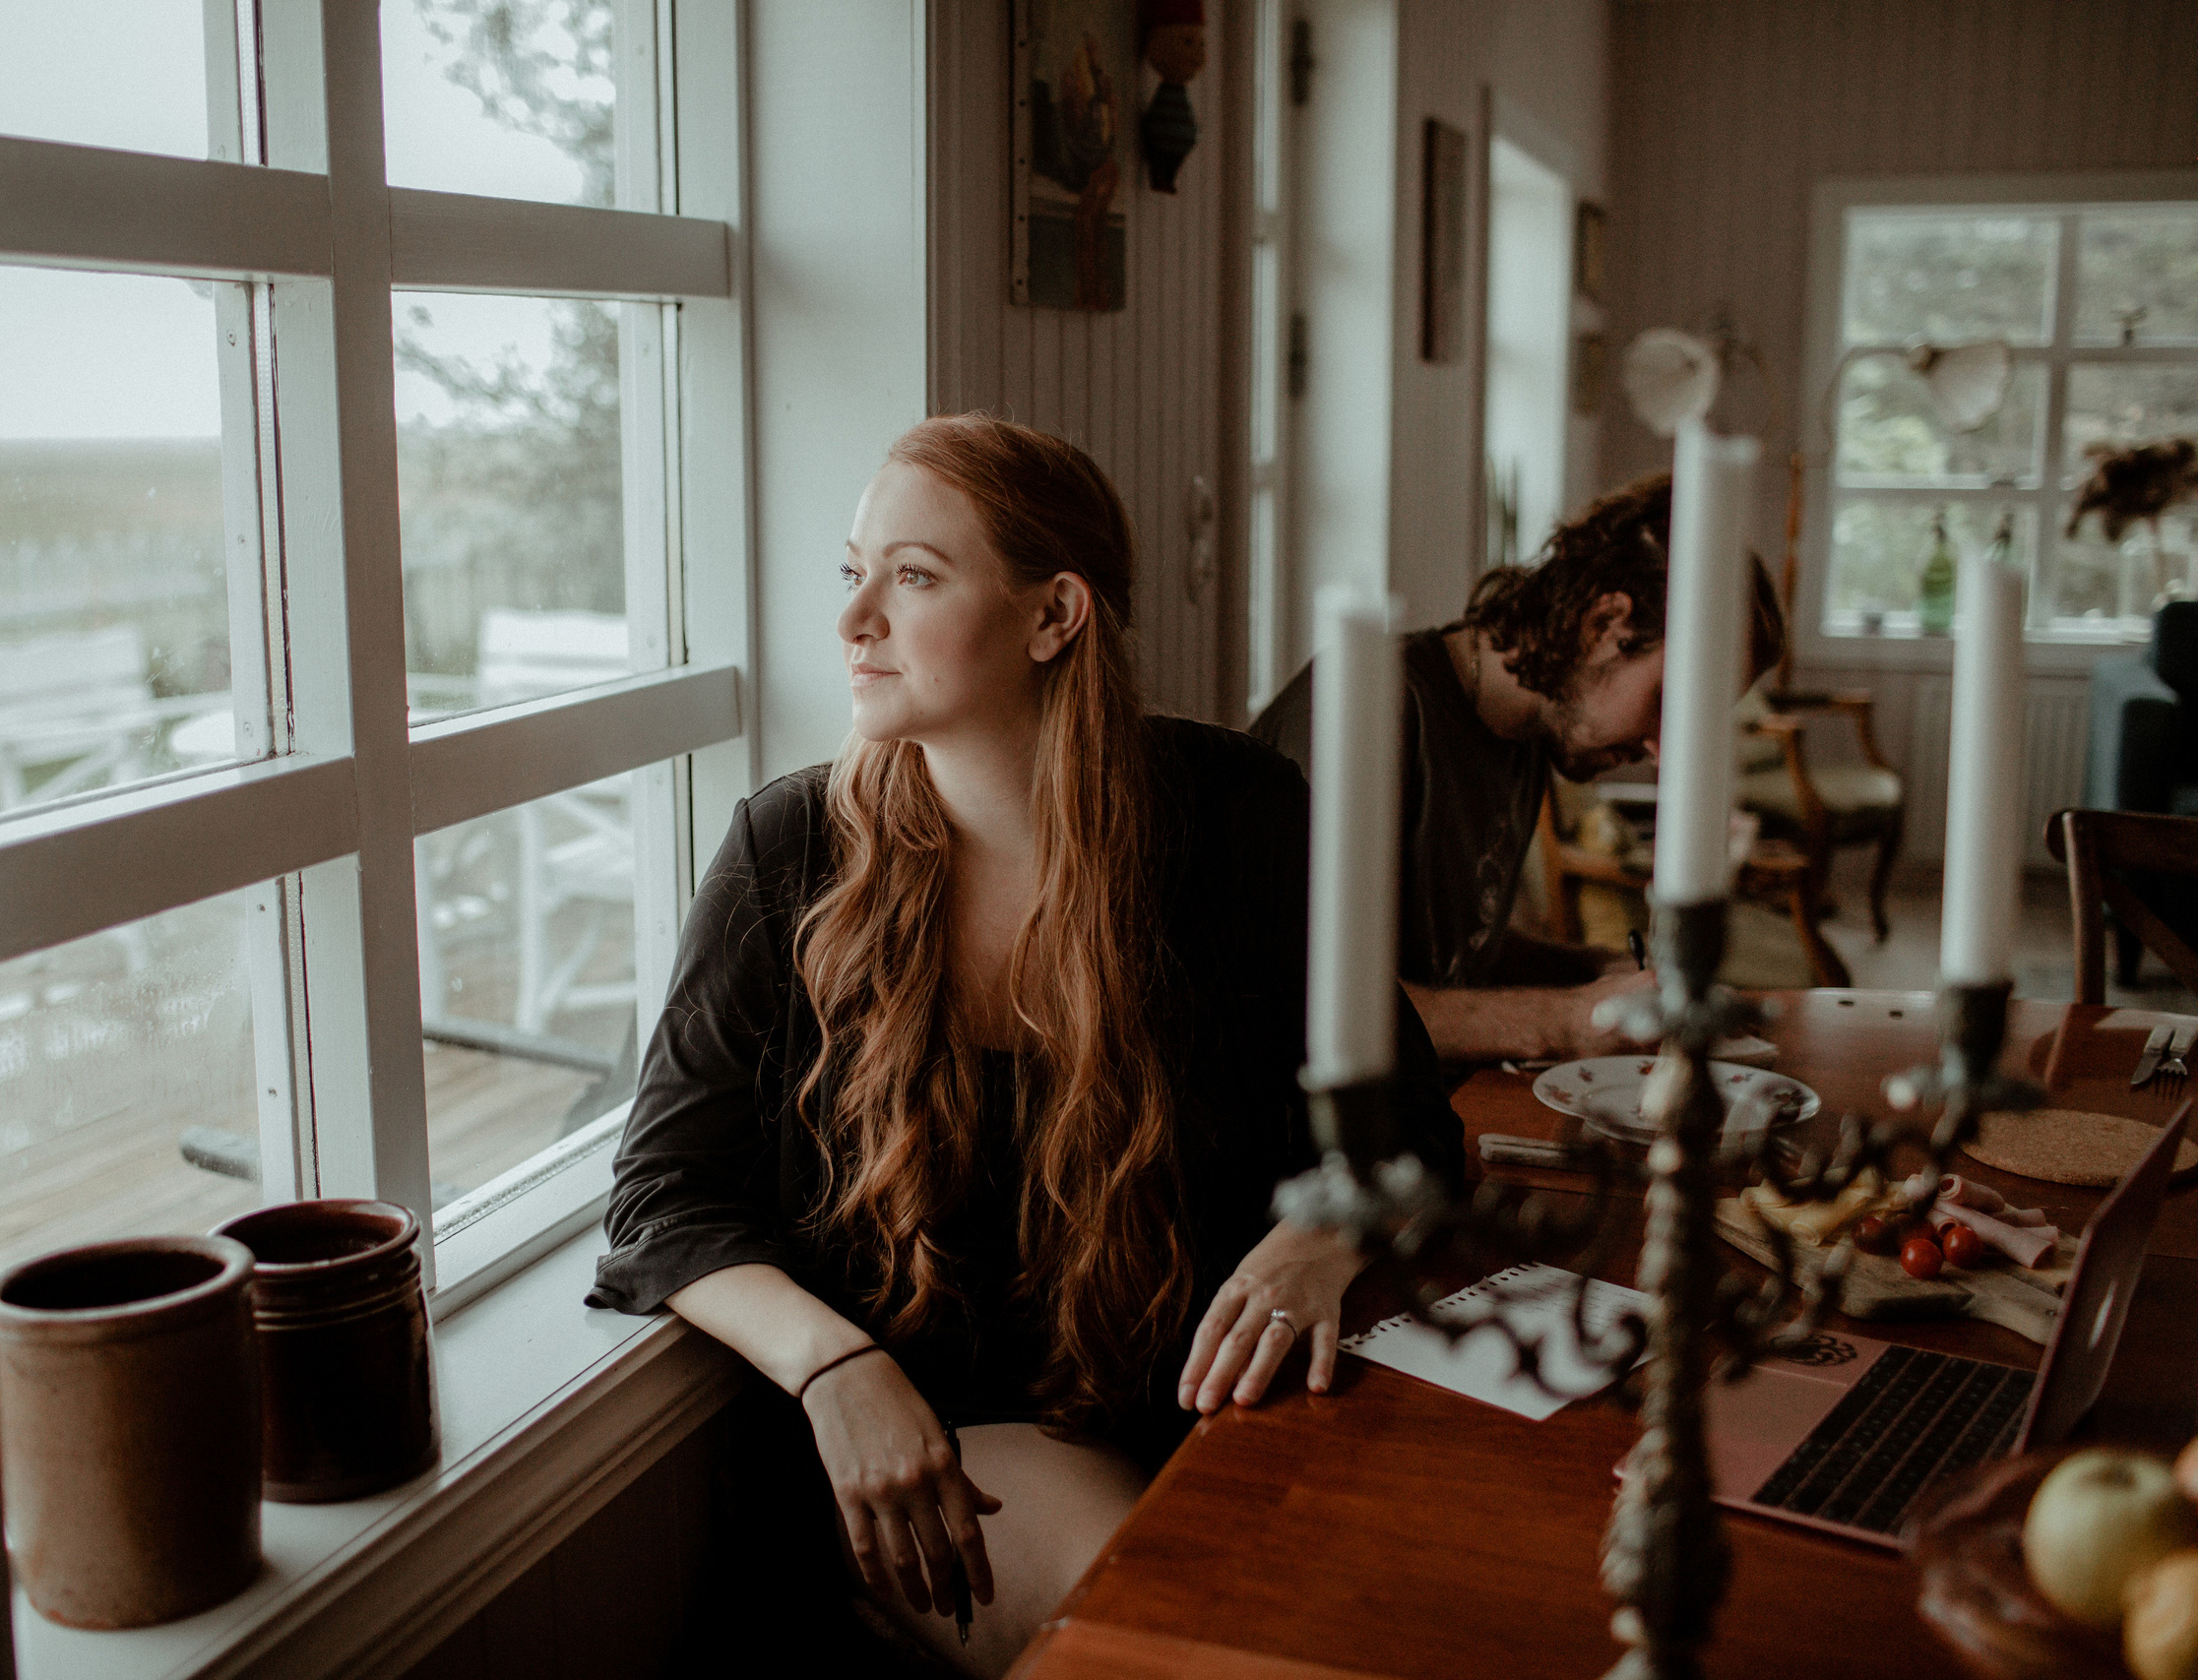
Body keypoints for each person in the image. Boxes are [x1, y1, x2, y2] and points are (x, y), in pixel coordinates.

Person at [589, 415, 1462, 1676]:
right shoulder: (787, 851)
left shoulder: (1236, 818)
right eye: (853, 573)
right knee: (1197, 1649)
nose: (852, 623)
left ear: (1056, 616)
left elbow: (1412, 1132)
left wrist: (1323, 1237)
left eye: (915, 577)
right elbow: (662, 1193)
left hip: (1215, 1413)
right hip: (931, 1450)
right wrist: (834, 1368)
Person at [1252, 474, 1786, 1066]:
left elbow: (1449, 949)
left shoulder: (1529, 738)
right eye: (1670, 702)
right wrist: (1566, 1021)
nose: (1666, 752)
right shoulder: (1366, 710)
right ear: (1604, 624)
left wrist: (1597, 971)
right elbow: (1303, 998)